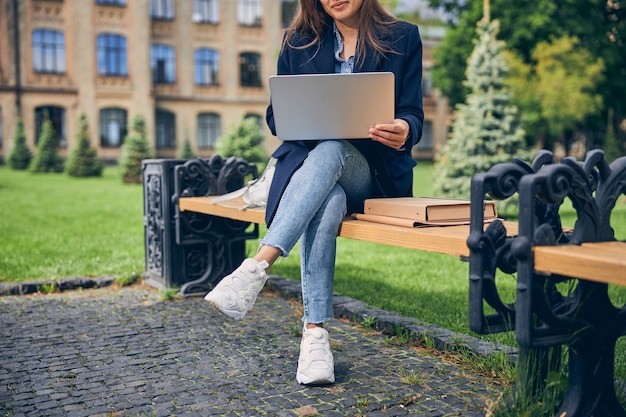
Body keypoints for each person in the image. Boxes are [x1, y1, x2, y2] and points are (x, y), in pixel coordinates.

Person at [205, 0, 424, 385]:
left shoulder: (403, 37)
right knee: (329, 197)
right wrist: (301, 116)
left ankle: (258, 266)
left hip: (372, 176)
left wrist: (405, 129)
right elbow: (277, 117)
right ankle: (314, 339)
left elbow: (413, 113)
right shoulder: (299, 40)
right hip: (317, 178)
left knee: (333, 149)